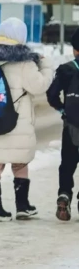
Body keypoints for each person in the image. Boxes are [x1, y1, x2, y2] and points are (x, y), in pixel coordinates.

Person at [0, 17, 54, 222]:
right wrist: (46, 66)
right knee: (20, 163)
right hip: (17, 122)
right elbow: (39, 86)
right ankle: (23, 206)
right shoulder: (23, 62)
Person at [46, 30, 79, 221]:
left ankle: (64, 195)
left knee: (67, 164)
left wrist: (62, 109)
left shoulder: (66, 69)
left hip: (71, 125)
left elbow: (51, 95)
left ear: (74, 49)